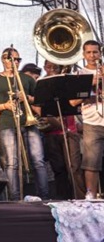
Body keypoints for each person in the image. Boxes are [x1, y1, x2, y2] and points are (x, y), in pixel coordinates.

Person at [0, 47, 49, 201]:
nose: (16, 62)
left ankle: (45, 197)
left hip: (29, 122)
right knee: (12, 163)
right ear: (4, 60)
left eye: (18, 59)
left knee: (38, 160)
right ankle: (14, 198)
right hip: (8, 123)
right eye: (12, 59)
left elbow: (40, 98)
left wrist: (26, 98)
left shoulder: (27, 79)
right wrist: (5, 106)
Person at [39, 59, 85, 199]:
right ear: (44, 67)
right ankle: (63, 199)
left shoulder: (68, 81)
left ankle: (80, 199)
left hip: (70, 130)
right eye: (48, 66)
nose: (52, 68)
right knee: (58, 169)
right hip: (52, 132)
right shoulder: (41, 84)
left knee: (74, 167)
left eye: (55, 66)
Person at [75, 40, 104, 199]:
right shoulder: (80, 75)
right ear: (83, 55)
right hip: (92, 122)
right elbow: (73, 101)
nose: (92, 55)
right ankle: (91, 196)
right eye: (89, 52)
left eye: (95, 52)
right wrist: (92, 83)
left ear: (100, 53)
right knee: (91, 163)